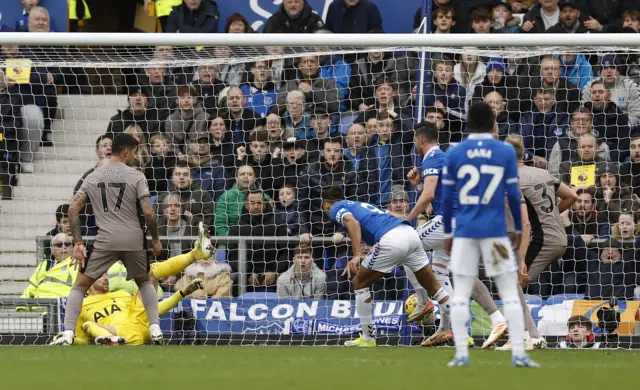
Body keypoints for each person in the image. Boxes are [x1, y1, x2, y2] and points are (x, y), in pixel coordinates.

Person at [442, 102, 538, 368]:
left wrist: (448, 232)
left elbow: (448, 199)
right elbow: (515, 194)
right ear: (494, 126)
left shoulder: (455, 152)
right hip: (495, 231)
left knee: (461, 288)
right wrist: (518, 228)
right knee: (508, 288)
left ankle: (461, 354)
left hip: (465, 232)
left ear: (468, 124)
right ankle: (519, 350)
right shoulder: (505, 152)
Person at [51, 134, 163, 346]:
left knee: (80, 286)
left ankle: (67, 333)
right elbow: (148, 212)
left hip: (105, 240)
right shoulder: (137, 175)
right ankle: (155, 327)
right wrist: (155, 239)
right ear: (127, 151)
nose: (135, 157)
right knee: (145, 281)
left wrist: (78, 243)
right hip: (133, 238)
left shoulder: (93, 176)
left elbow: (73, 208)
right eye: (135, 152)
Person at [405, 122, 509, 348]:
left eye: (415, 140)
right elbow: (439, 197)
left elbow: (429, 196)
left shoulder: (433, 158)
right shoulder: (447, 159)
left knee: (405, 244)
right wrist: (418, 185)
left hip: (453, 222)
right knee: (447, 271)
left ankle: (424, 303)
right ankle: (478, 323)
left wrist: (408, 218)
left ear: (420, 140)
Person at [322, 186, 451, 347]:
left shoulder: (336, 208)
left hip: (392, 239)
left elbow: (352, 223)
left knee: (359, 283)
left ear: (326, 205)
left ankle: (368, 339)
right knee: (436, 289)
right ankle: (460, 331)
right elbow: (391, 214)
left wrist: (356, 255)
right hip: (409, 233)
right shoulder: (359, 204)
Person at [495, 137, 578, 351]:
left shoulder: (512, 180)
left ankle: (526, 337)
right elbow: (571, 195)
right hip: (558, 236)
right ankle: (530, 336)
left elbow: (525, 225)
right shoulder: (542, 173)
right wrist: (551, 217)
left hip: (543, 239)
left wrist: (522, 258)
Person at [69, 223, 211, 345]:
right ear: (90, 278)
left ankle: (195, 254)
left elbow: (153, 308)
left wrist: (182, 293)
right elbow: (83, 340)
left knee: (152, 272)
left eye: (106, 274)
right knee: (88, 325)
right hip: (119, 333)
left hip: (139, 326)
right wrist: (70, 340)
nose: (106, 278)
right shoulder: (81, 305)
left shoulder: (121, 294)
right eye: (101, 275)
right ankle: (112, 340)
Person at [21, 233, 76, 299]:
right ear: (52, 249)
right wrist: (22, 308)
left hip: (61, 306)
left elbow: (79, 290)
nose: (64, 247)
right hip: (39, 305)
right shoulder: (44, 265)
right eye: (59, 245)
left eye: (67, 244)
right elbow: (31, 288)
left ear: (72, 248)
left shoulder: (76, 264)